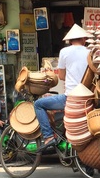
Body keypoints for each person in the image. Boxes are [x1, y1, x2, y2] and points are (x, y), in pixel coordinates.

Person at [34, 24, 90, 152]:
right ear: (83, 40)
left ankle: (48, 137)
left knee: (38, 104)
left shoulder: (64, 52)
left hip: (70, 98)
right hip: (87, 97)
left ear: (70, 41)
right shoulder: (90, 53)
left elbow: (62, 76)